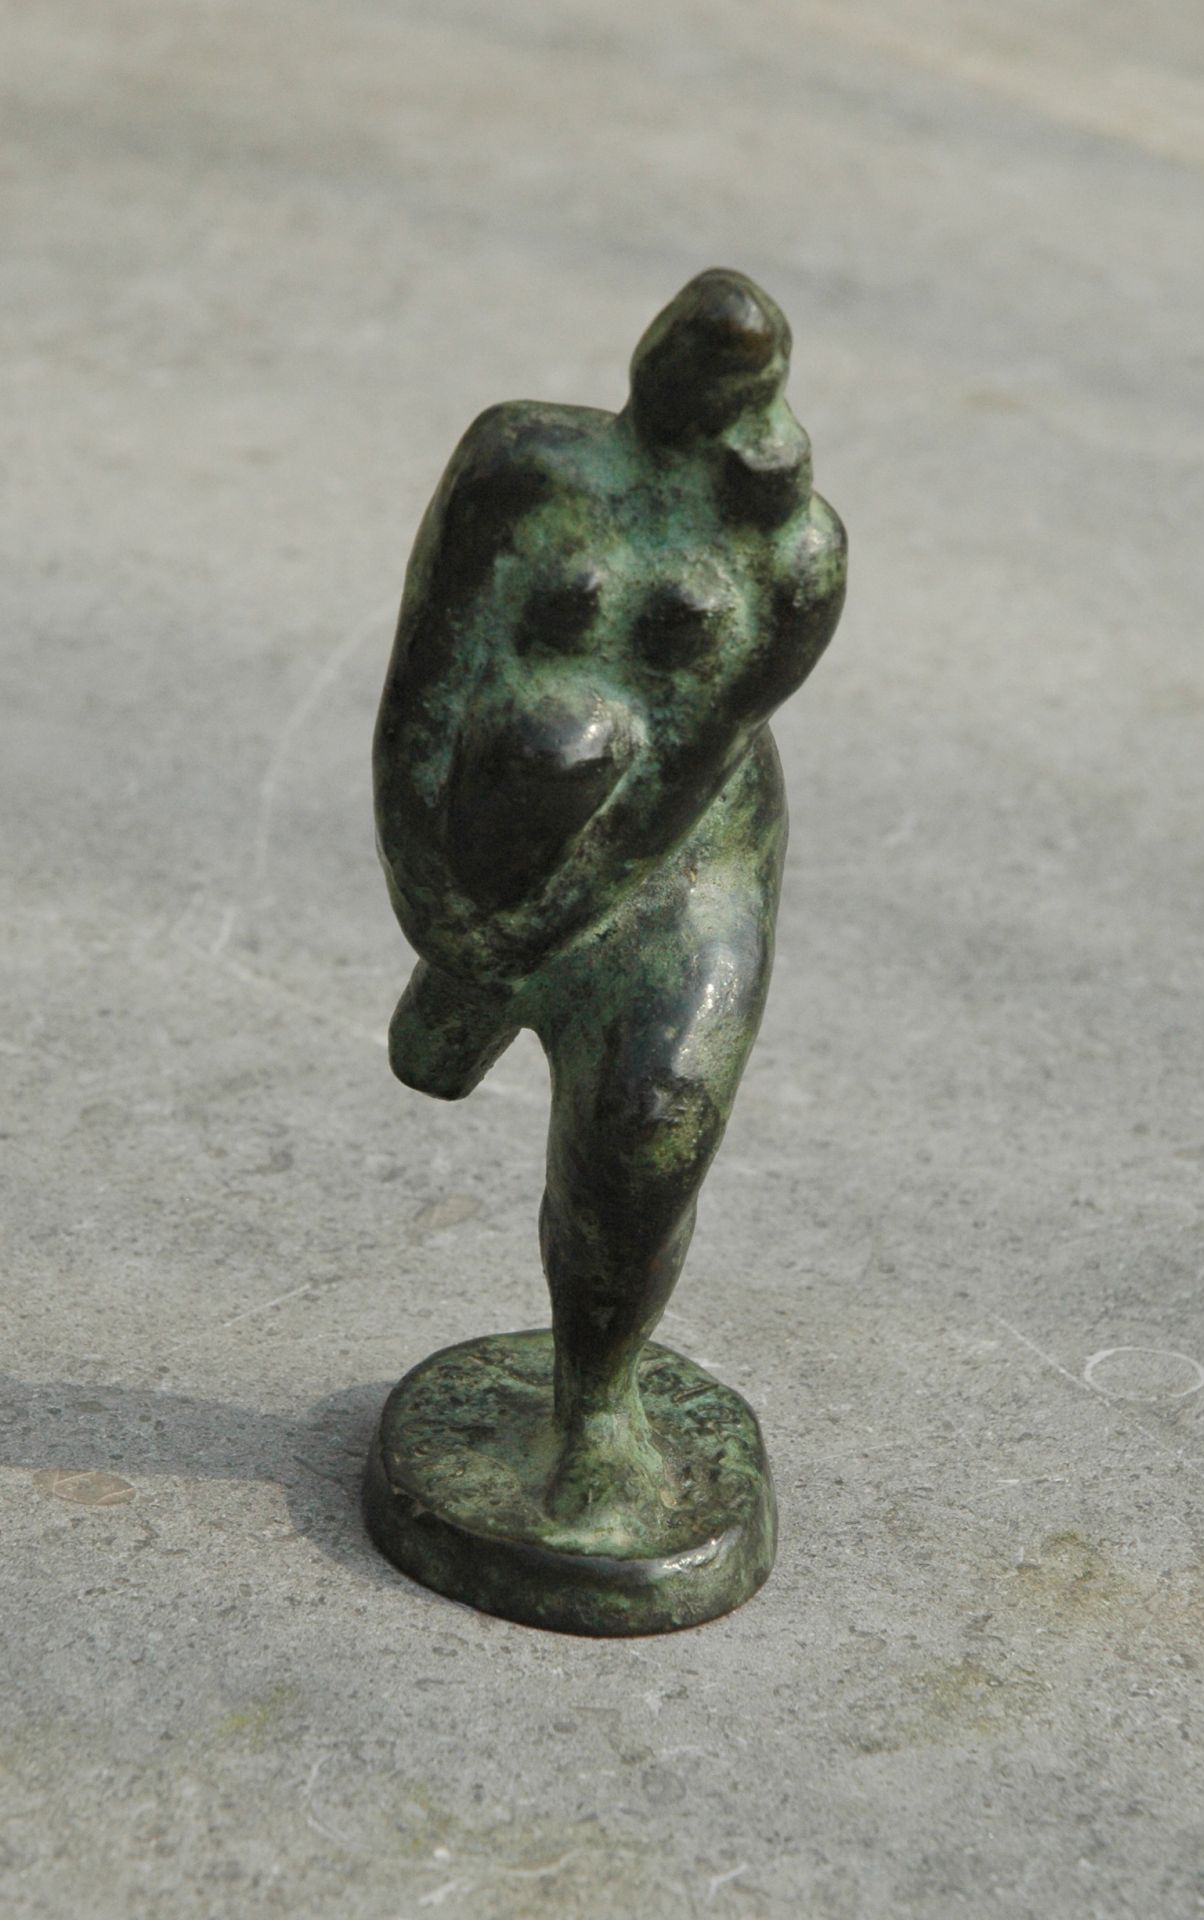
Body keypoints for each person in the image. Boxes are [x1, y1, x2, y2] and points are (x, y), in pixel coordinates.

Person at [373, 268, 846, 1539]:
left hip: (680, 863)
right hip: (492, 848)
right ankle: (468, 984)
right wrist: (443, 911)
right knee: (547, 745)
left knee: (646, 1137)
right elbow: (422, 689)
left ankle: (596, 1407)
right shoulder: (524, 463)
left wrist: (529, 933)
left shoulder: (793, 558)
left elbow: (682, 770)